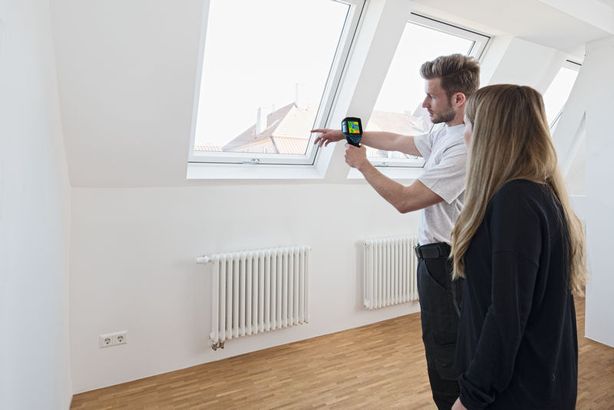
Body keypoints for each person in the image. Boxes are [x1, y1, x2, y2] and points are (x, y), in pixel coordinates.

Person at [313, 54, 480, 409]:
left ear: (458, 99)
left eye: (431, 96)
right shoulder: (444, 132)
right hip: (433, 258)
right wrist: (348, 134)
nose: (424, 103)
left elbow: (406, 200)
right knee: (438, 343)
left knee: (446, 347)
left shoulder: (464, 148)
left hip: (447, 260)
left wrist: (363, 165)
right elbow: (397, 140)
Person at [449, 84, 587, 410]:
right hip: (535, 382)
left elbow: (506, 316)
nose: (464, 135)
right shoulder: (538, 194)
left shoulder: (515, 202)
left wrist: (470, 396)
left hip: (516, 392)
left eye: (468, 125)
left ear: (488, 135)